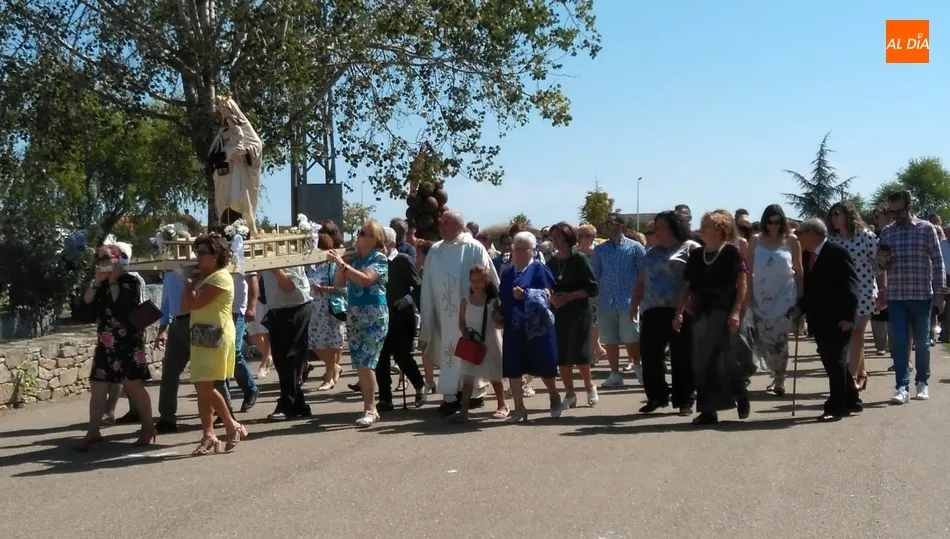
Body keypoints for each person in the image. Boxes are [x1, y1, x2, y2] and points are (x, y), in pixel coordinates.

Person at [76, 244, 156, 451]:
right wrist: (96, 282)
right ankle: (93, 431)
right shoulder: (99, 283)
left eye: (105, 257)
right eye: (98, 257)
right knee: (98, 387)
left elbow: (122, 307)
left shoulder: (130, 280)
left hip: (127, 342)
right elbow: (85, 306)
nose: (101, 261)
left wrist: (113, 280)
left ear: (118, 258)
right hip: (106, 341)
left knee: (133, 386)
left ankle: (148, 427)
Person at [419, 212, 498, 416]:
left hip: (472, 314)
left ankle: (474, 395)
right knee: (450, 353)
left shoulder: (473, 247)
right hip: (445, 316)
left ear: (458, 225)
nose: (441, 226)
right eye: (440, 223)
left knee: (472, 350)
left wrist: (492, 309)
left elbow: (489, 279)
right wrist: (428, 316)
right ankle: (450, 396)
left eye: (445, 223)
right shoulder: (436, 251)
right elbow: (426, 285)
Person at [674, 211, 749, 426]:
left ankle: (740, 393)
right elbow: (687, 285)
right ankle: (708, 410)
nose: (702, 228)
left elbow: (742, 283)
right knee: (701, 360)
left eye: (706, 225)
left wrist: (736, 312)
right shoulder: (697, 255)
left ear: (720, 230)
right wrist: (679, 311)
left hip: (724, 312)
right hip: (701, 312)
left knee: (726, 360)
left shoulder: (732, 253)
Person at [878, 190, 946, 404]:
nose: (895, 215)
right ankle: (901, 387)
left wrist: (940, 293)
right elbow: (879, 266)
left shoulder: (926, 229)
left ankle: (922, 382)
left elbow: (938, 262)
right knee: (899, 341)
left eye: (899, 210)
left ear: (909, 207)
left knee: (923, 343)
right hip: (896, 295)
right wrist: (883, 261)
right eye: (892, 211)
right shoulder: (887, 232)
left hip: (921, 294)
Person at [181, 235, 247, 454]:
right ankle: (209, 434)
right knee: (202, 387)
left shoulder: (220, 277)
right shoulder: (207, 277)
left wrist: (189, 281)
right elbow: (185, 304)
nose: (197, 256)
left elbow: (190, 303)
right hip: (203, 335)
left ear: (216, 255)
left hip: (215, 336)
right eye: (196, 252)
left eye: (202, 252)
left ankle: (231, 424)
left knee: (204, 386)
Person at [632, 211, 700, 416]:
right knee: (650, 354)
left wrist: (689, 305)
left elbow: (696, 282)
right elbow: (642, 281)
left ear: (673, 226)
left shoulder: (691, 248)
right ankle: (657, 396)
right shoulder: (651, 252)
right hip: (653, 309)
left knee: (682, 355)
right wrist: (634, 305)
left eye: (660, 226)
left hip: (681, 308)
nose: (656, 230)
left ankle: (685, 400)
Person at [795, 218, 863, 422]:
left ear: (812, 233)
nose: (798, 237)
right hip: (819, 320)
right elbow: (811, 289)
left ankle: (836, 407)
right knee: (835, 363)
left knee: (835, 363)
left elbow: (851, 286)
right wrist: (800, 309)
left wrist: (849, 317)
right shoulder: (809, 256)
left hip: (839, 319)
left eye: (801, 233)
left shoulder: (836, 253)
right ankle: (852, 400)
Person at [328, 220, 390, 427]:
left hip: (373, 314)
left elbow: (366, 280)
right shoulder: (354, 259)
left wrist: (342, 265)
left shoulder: (379, 258)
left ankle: (371, 409)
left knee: (367, 362)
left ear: (375, 239)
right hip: (355, 312)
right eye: (359, 232)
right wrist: (342, 265)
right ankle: (369, 407)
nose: (358, 235)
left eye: (363, 233)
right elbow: (338, 284)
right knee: (361, 363)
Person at [498, 231, 562, 422]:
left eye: (522, 248)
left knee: (544, 365)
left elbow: (549, 295)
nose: (517, 251)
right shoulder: (508, 272)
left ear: (532, 250)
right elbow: (501, 297)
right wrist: (498, 314)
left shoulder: (539, 269)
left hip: (538, 327)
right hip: (514, 326)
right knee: (513, 367)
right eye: (515, 247)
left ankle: (554, 396)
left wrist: (526, 295)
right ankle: (519, 409)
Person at [748, 204, 803, 396]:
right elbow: (748, 270)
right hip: (760, 294)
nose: (774, 226)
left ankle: (780, 378)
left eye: (778, 222)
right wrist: (748, 297)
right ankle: (774, 371)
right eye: (770, 222)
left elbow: (798, 269)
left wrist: (800, 297)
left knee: (780, 340)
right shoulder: (755, 240)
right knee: (764, 340)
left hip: (784, 296)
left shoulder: (791, 240)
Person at [827, 201, 881, 392]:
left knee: (857, 332)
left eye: (837, 213)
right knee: (848, 336)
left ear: (848, 215)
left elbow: (880, 265)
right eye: (832, 214)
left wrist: (882, 291)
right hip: (840, 294)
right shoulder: (832, 241)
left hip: (864, 290)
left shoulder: (866, 237)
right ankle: (862, 373)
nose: (834, 217)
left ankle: (850, 378)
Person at [547, 222, 600, 408]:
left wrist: (571, 296)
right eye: (553, 238)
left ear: (568, 238)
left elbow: (592, 288)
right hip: (559, 312)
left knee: (579, 351)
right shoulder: (552, 262)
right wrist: (552, 298)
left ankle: (589, 386)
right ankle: (569, 393)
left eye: (559, 238)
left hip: (579, 310)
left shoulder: (579, 259)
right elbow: (546, 285)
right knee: (562, 354)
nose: (555, 242)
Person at [375, 226, 428, 411]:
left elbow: (417, 285)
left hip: (401, 316)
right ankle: (385, 398)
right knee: (381, 357)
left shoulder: (402, 260)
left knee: (402, 356)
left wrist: (406, 300)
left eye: (379, 242)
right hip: (381, 316)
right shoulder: (375, 262)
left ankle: (420, 386)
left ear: (390, 243)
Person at [592, 212, 646, 388]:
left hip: (628, 300)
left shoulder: (636, 247)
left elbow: (643, 274)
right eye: (605, 223)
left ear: (621, 226)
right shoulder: (600, 249)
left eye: (611, 223)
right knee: (610, 339)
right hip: (606, 300)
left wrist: (641, 297)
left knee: (631, 337)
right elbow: (596, 275)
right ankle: (615, 373)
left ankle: (638, 368)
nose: (607, 226)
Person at [452, 265, 508, 421]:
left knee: (495, 375)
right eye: (473, 280)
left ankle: (502, 404)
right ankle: (464, 410)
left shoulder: (492, 301)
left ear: (487, 281)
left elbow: (500, 323)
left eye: (479, 280)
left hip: (491, 341)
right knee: (468, 377)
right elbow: (461, 322)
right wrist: (466, 334)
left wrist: (499, 318)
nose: (475, 283)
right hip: (472, 343)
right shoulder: (466, 301)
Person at [260, 263, 313, 421]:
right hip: (277, 308)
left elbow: (289, 285)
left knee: (288, 358)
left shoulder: (287, 253)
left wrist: (273, 266)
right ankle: (299, 405)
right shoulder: (265, 253)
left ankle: (287, 404)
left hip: (295, 306)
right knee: (281, 359)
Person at [209, 95, 263, 236]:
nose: (224, 113)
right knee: (226, 201)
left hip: (240, 172)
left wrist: (245, 151)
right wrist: (222, 156)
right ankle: (225, 231)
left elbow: (257, 144)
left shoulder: (244, 127)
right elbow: (215, 151)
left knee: (240, 199)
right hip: (227, 172)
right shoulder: (223, 131)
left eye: (226, 110)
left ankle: (245, 231)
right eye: (222, 111)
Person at [305, 231, 347, 391]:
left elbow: (342, 289)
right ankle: (334, 367)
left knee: (329, 344)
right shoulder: (311, 265)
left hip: (329, 310)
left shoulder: (332, 265)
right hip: (314, 310)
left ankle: (329, 377)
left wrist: (323, 289)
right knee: (315, 344)